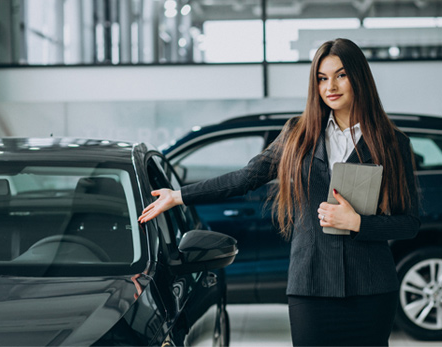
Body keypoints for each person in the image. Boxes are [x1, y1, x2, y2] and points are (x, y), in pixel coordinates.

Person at [138, 38, 420, 346]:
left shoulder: (393, 143)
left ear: (359, 77)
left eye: (341, 75)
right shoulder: (297, 135)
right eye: (322, 78)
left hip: (372, 289)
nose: (331, 86)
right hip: (311, 286)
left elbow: (409, 223)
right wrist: (178, 196)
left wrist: (358, 223)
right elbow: (245, 178)